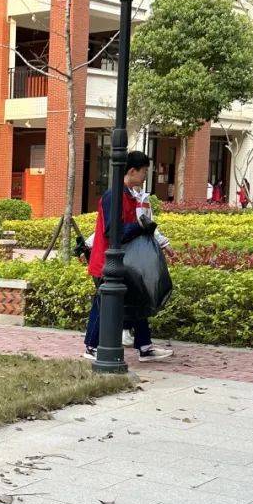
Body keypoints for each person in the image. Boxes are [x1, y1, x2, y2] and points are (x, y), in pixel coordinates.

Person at [84, 151, 173, 362]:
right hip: (108, 263)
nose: (144, 176)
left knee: (138, 298)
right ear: (132, 171)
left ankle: (144, 346)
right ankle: (91, 346)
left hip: (124, 262)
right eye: (143, 172)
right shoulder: (113, 196)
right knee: (103, 303)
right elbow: (112, 231)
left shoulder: (129, 195)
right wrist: (140, 227)